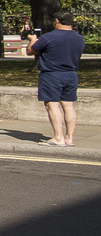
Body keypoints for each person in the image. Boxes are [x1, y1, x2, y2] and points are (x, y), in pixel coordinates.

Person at [25, 10, 84, 147]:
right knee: (69, 105)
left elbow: (30, 51)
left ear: (57, 21)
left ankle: (58, 138)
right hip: (71, 74)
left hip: (52, 74)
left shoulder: (49, 37)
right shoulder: (79, 38)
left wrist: (33, 40)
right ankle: (69, 138)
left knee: (52, 104)